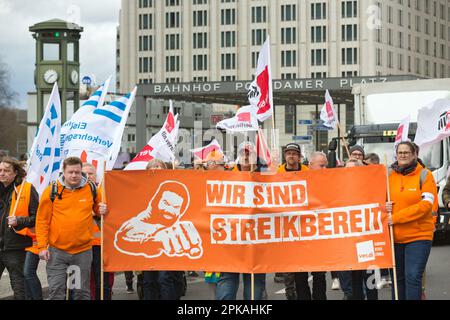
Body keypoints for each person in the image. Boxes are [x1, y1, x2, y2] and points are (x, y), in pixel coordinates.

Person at [36, 157, 108, 300]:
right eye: (70, 172)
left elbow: (98, 209)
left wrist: (102, 209)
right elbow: (42, 220)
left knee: (80, 293)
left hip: (82, 252)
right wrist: (42, 247)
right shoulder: (52, 190)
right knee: (57, 291)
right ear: (64, 171)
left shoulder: (91, 188)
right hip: (57, 252)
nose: (74, 175)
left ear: (81, 172)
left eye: (77, 172)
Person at [386, 141, 437, 300]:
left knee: (413, 277)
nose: (402, 155)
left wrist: (395, 218)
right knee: (397, 279)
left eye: (406, 152)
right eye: (400, 152)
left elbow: (425, 206)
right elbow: (377, 200)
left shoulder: (425, 175)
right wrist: (384, 205)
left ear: (415, 154)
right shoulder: (389, 175)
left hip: (418, 236)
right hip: (394, 238)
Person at [216, 144, 266, 300]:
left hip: (256, 245)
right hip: (230, 243)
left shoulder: (267, 178)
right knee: (226, 290)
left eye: (249, 154)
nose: (246, 157)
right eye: (243, 154)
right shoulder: (226, 177)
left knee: (254, 294)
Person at [290, 152, 328, 300]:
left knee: (319, 275)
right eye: (322, 165)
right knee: (300, 275)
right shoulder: (298, 182)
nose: (325, 169)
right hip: (300, 237)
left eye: (326, 165)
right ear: (310, 165)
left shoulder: (331, 182)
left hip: (320, 237)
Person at [0, 157, 39, 300]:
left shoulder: (27, 188)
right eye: (0, 170)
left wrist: (20, 221)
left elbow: (37, 217)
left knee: (19, 287)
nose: (2, 173)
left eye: (6, 170)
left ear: (15, 173)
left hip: (16, 246)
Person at [276, 144, 309, 300]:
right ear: (285, 156)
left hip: (303, 226)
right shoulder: (278, 173)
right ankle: (290, 295)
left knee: (302, 271)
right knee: (288, 270)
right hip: (285, 227)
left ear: (299, 157)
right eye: (288, 153)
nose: (291, 156)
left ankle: (303, 296)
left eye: (294, 154)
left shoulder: (307, 172)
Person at [343, 159, 379, 300]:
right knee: (355, 282)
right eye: (346, 169)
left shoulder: (369, 187)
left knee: (370, 282)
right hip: (349, 242)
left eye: (351, 169)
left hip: (367, 242)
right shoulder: (340, 189)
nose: (348, 173)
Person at [82, 162, 114, 300]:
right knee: (83, 282)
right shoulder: (74, 191)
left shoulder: (104, 191)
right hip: (81, 244)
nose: (88, 176)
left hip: (101, 243)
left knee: (102, 282)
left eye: (91, 173)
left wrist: (106, 210)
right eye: (85, 174)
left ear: (96, 175)